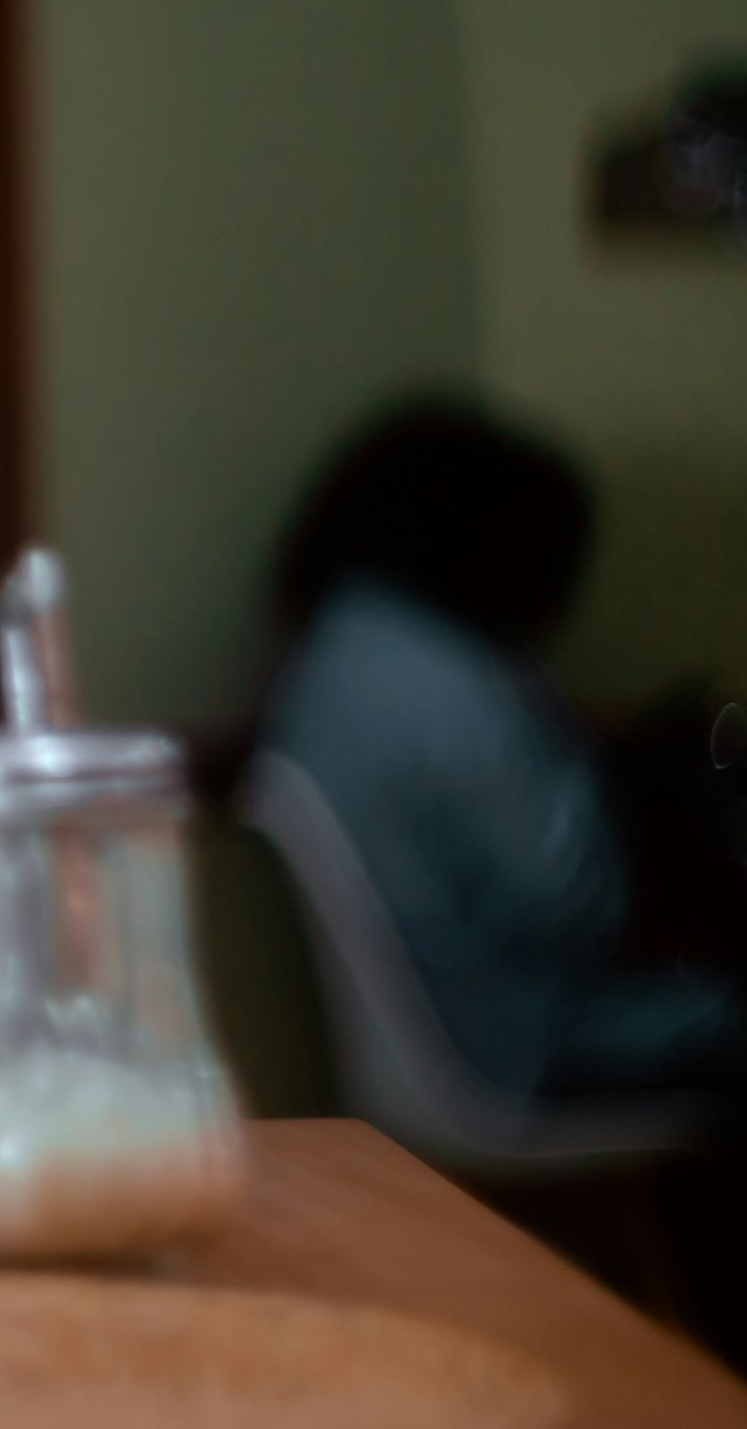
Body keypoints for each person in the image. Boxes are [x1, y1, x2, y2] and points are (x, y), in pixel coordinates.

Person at [258, 399, 745, 1101]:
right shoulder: (446, 682)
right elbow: (569, 906)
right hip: (515, 1043)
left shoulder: (342, 647)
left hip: (447, 1031)